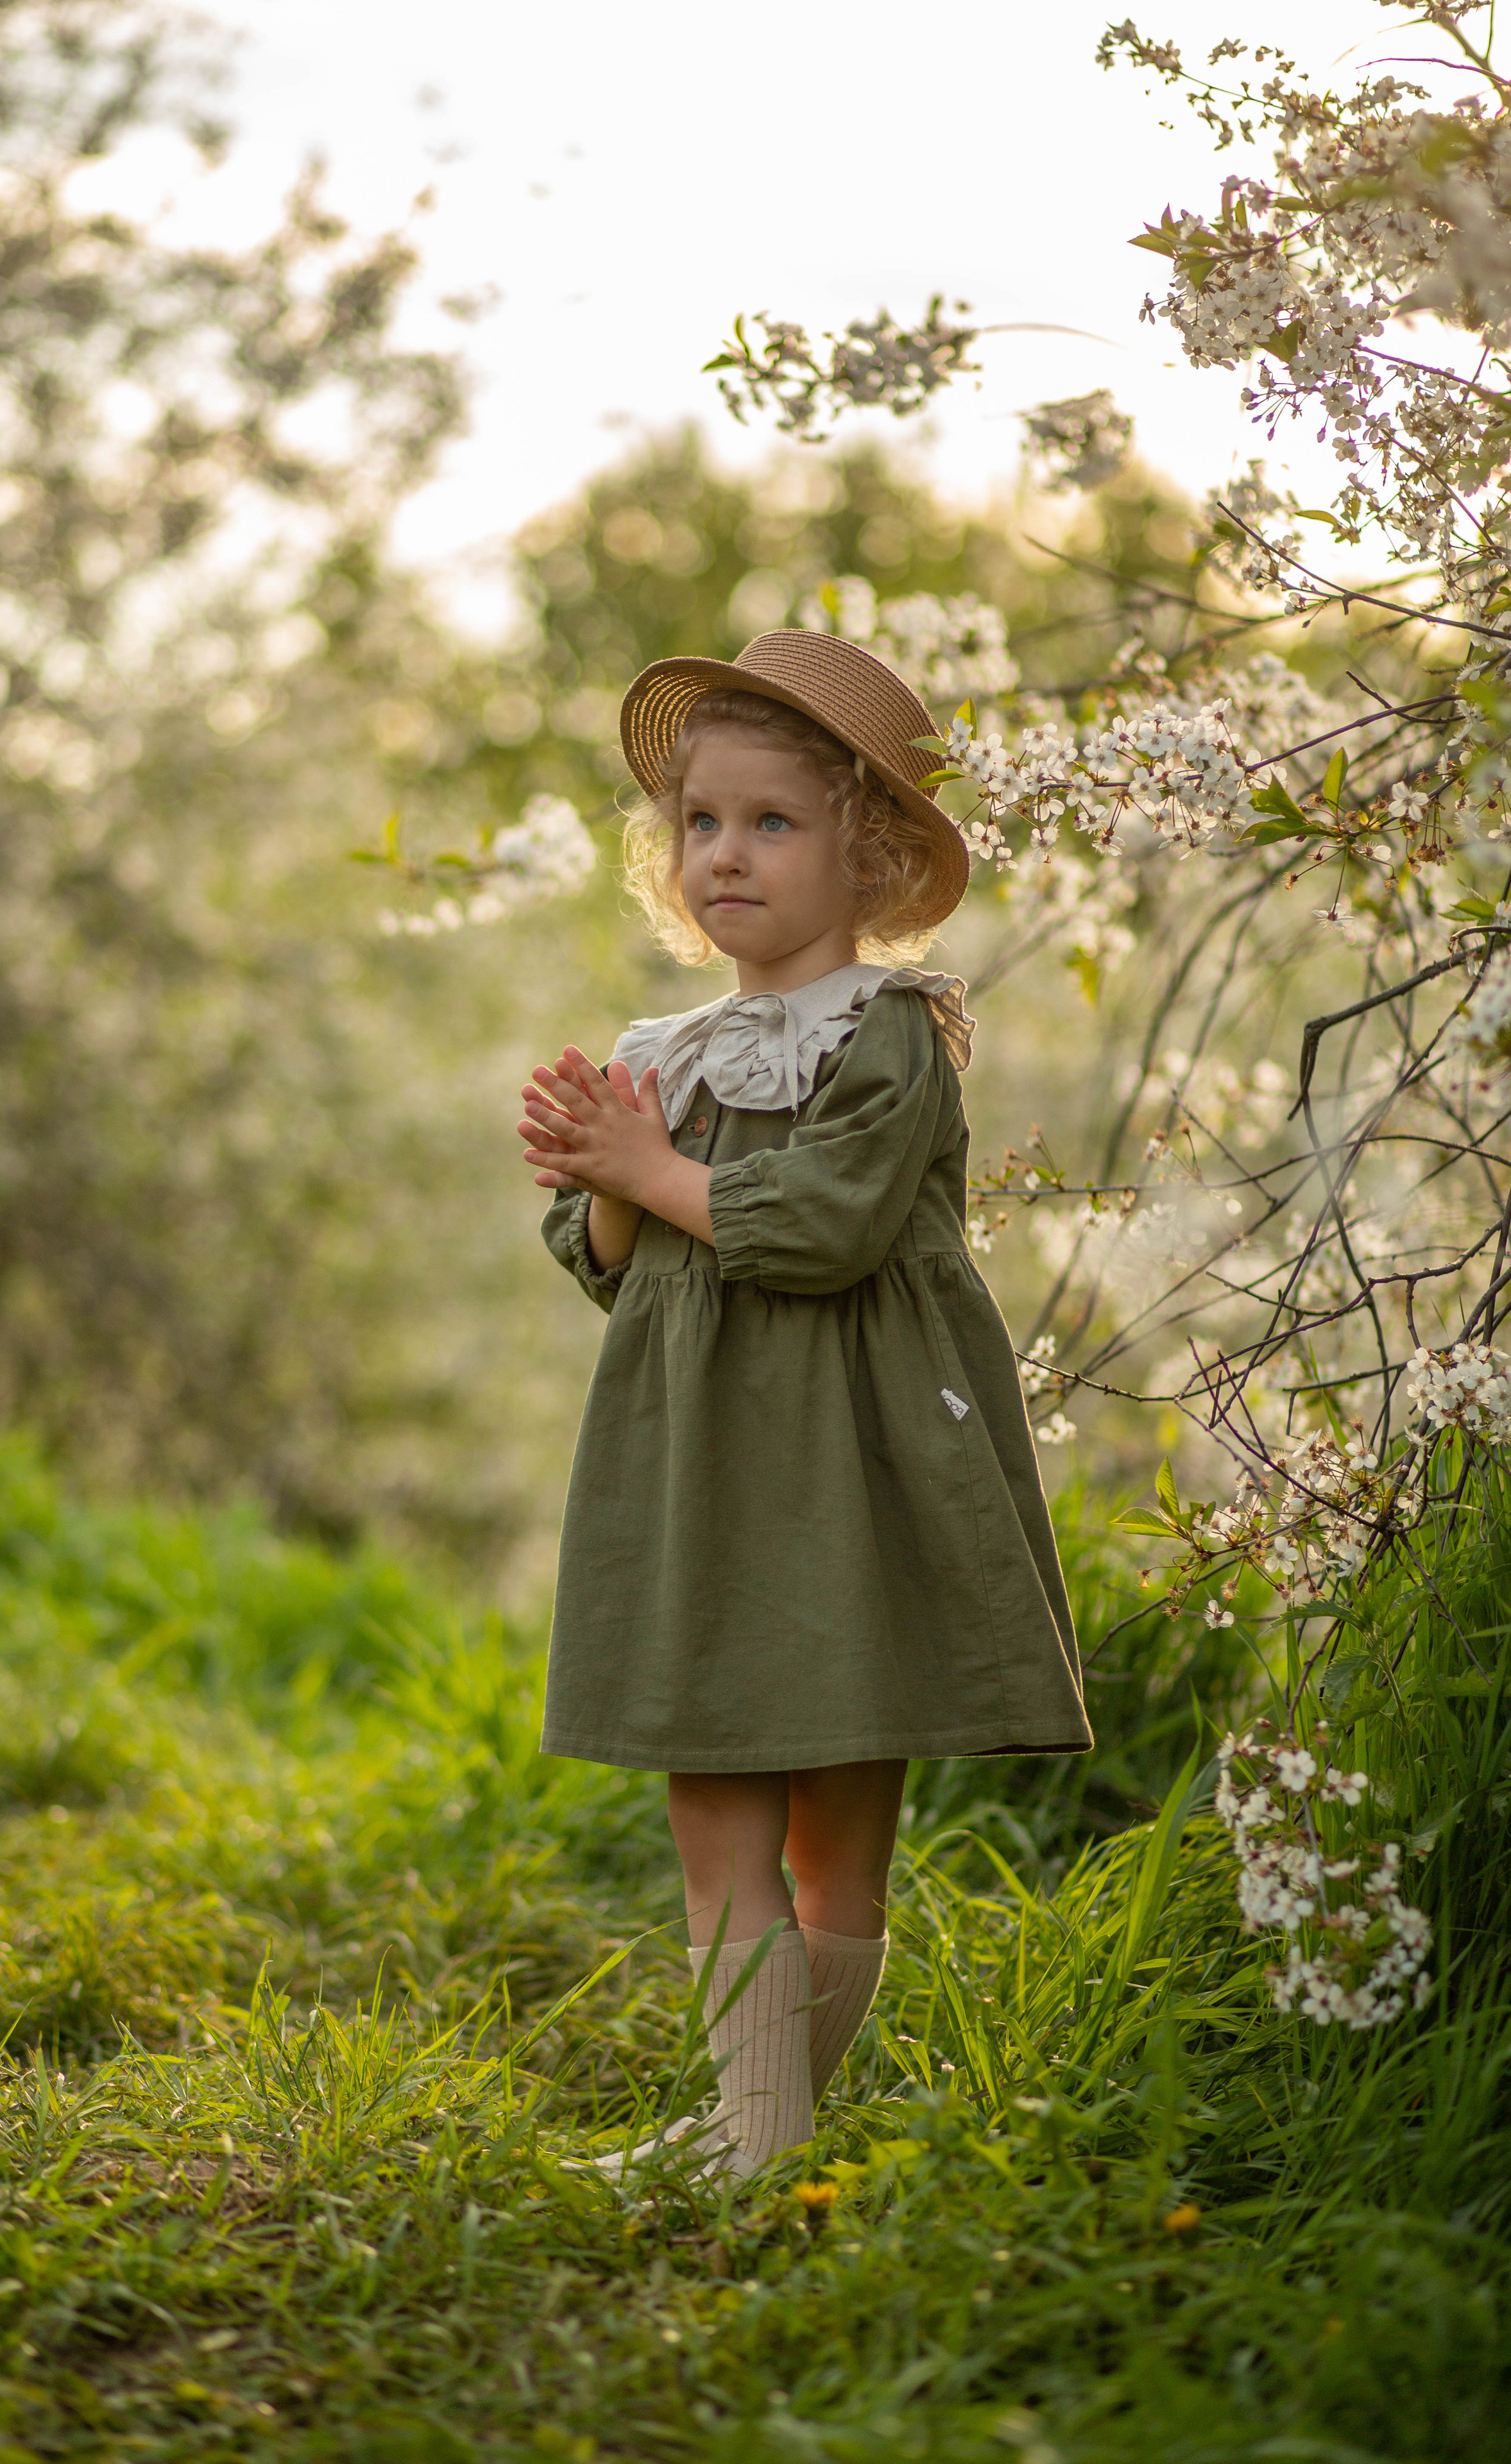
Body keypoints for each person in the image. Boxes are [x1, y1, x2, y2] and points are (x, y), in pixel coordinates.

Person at [518, 629, 1090, 2178]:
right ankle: (754, 2137)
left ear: (872, 850)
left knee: (837, 1835)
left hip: (858, 1474)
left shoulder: (893, 1033)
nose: (725, 855)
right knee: (712, 1805)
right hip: (699, 1472)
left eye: (771, 822)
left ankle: (756, 2135)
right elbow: (613, 1264)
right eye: (700, 823)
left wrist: (652, 1171)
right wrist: (602, 1180)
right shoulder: (666, 1053)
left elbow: (823, 1226)